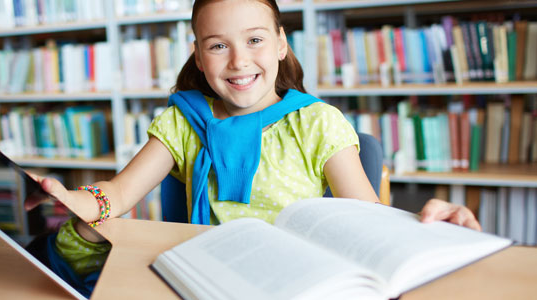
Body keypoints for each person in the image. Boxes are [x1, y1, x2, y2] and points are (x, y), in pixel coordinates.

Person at [27, 0, 481, 295]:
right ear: (200, 57)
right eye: (218, 45)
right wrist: (77, 199)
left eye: (255, 40)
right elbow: (121, 193)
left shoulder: (316, 121)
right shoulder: (182, 120)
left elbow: (368, 220)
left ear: (281, 44)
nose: (239, 60)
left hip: (296, 286)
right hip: (207, 280)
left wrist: (434, 225)